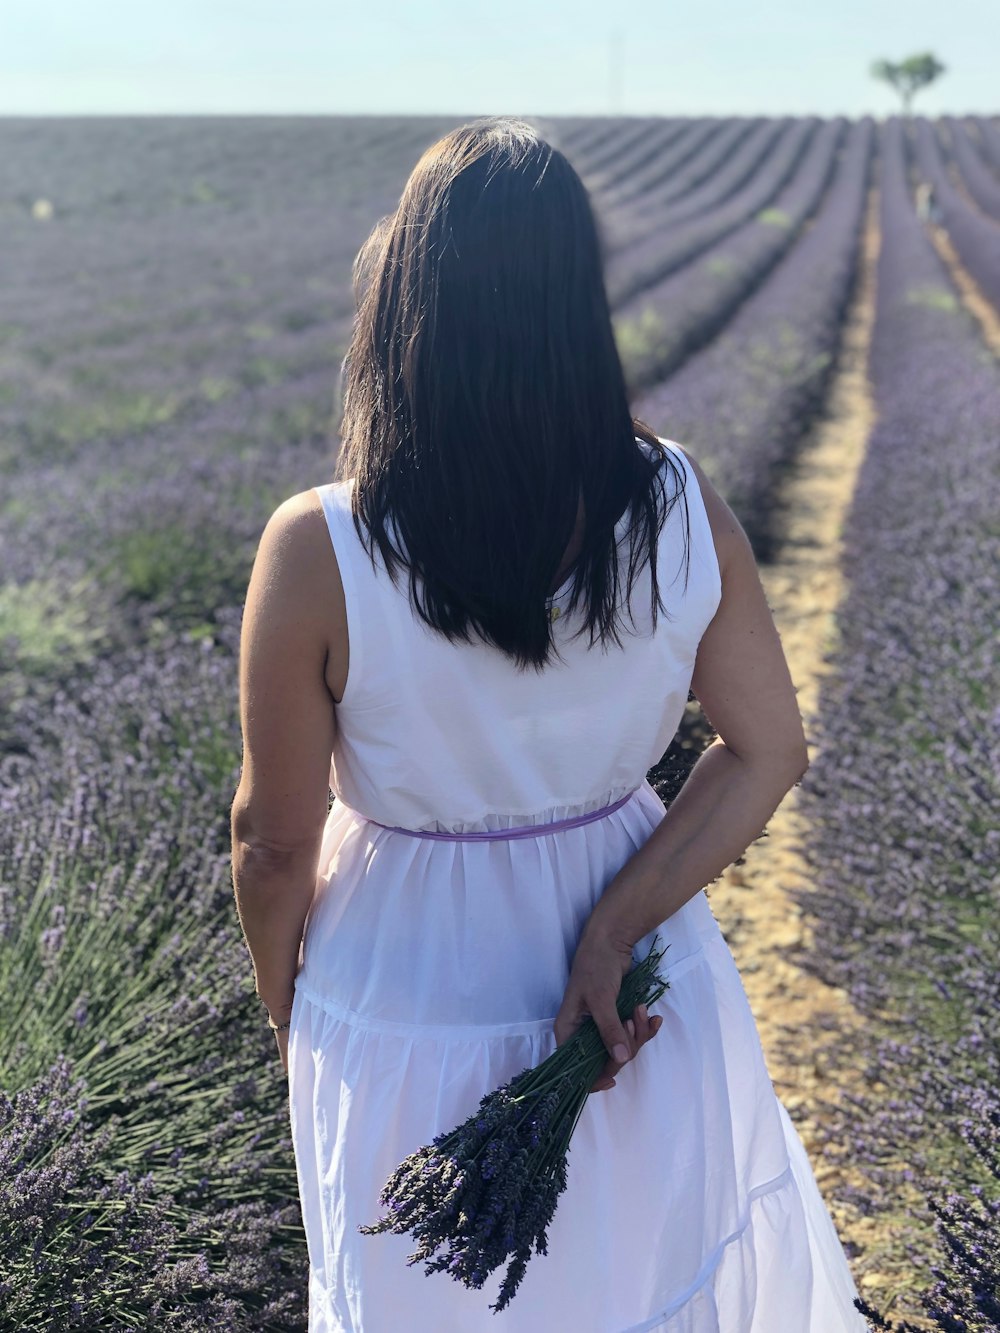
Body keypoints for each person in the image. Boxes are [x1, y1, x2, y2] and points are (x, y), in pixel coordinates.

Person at [230, 116, 867, 1331]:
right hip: (628, 967)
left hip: (407, 969)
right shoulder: (678, 501)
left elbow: (271, 840)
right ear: (581, 298)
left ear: (402, 301)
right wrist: (613, 926)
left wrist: (289, 1008)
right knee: (642, 1280)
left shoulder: (320, 545)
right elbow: (767, 749)